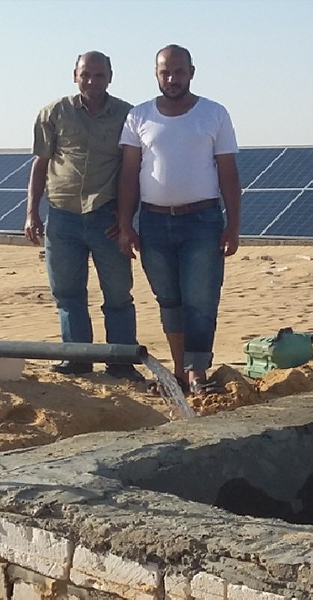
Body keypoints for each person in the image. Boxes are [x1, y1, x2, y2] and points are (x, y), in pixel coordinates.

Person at [117, 44, 241, 395]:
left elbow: (229, 173)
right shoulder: (138, 117)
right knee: (169, 299)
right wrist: (126, 224)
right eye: (164, 72)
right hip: (154, 223)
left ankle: (198, 372)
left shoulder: (214, 114)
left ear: (191, 72)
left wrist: (233, 224)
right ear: (156, 74)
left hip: (202, 221)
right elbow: (128, 174)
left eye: (178, 72)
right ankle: (179, 374)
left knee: (201, 299)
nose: (172, 79)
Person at [24, 51, 143, 382]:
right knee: (67, 293)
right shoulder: (54, 113)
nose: (92, 81)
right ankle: (77, 358)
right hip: (62, 217)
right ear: (74, 76)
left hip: (107, 217)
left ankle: (120, 360)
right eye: (85, 75)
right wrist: (32, 212)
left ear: (110, 76)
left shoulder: (127, 115)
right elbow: (41, 163)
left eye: (99, 75)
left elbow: (134, 169)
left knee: (118, 294)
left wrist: (125, 218)